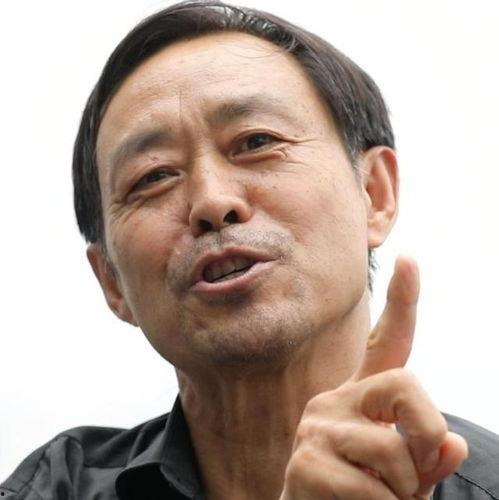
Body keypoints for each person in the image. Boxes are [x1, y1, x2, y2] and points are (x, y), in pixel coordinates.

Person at [2, 1, 498, 499]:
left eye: (257, 141)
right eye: (153, 177)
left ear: (373, 193)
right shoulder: (52, 487)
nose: (212, 202)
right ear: (111, 280)